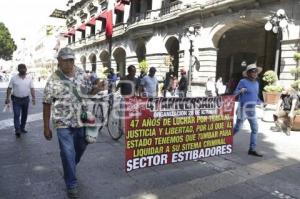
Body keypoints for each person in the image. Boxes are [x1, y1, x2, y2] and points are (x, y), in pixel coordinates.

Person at [43, 47, 106, 198]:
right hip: (62, 122)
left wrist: (97, 89)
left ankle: (70, 166)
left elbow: (88, 92)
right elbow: (46, 103)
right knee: (67, 152)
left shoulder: (81, 74)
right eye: (65, 60)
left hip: (81, 119)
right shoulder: (53, 79)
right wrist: (46, 127)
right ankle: (71, 183)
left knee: (81, 147)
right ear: (59, 61)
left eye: (71, 60)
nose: (69, 63)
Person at [233, 63, 263, 157]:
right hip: (243, 109)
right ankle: (225, 139)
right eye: (253, 71)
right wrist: (240, 91)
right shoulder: (243, 81)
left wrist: (261, 102)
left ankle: (252, 149)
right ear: (248, 73)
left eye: (256, 71)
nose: (255, 73)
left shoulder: (257, 83)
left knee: (255, 129)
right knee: (238, 128)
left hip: (252, 110)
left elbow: (255, 96)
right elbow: (235, 93)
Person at [5, 63, 35, 137]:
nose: (22, 70)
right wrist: (7, 98)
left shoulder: (29, 78)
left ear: (26, 69)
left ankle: (22, 128)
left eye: (23, 68)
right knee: (17, 114)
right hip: (16, 100)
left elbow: (32, 89)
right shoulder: (14, 78)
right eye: (20, 68)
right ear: (18, 70)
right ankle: (17, 130)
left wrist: (34, 98)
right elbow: (9, 88)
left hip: (26, 99)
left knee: (24, 115)